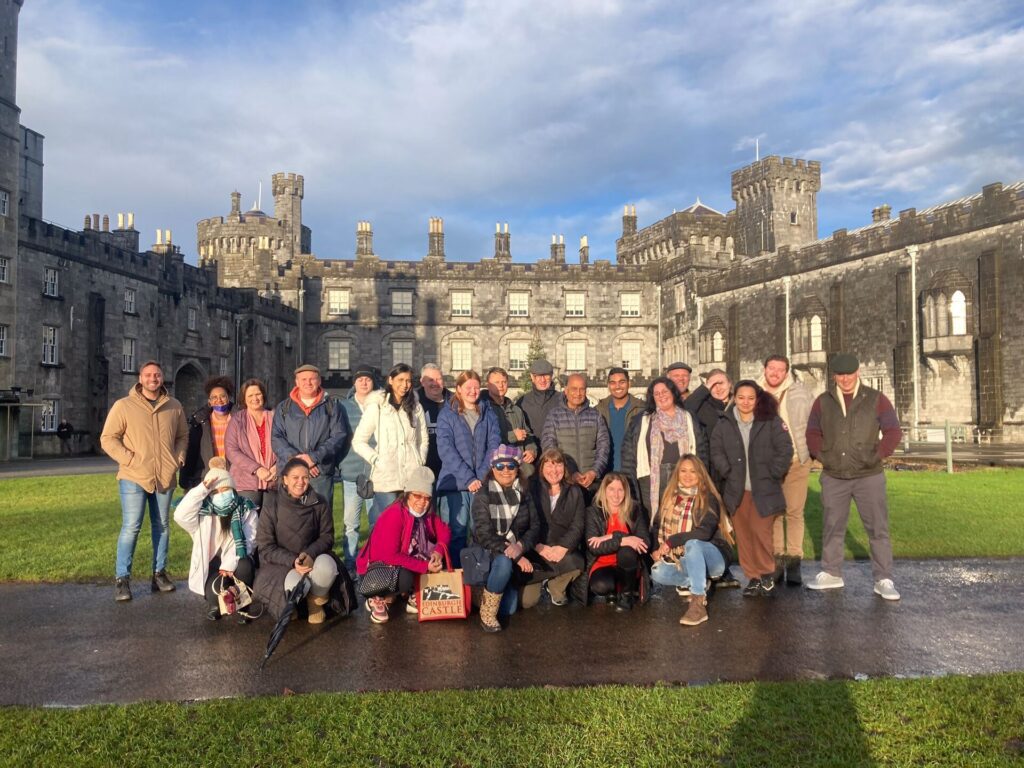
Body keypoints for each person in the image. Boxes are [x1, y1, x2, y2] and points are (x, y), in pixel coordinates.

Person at [805, 353, 903, 601]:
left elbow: (892, 431)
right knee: (832, 526)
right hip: (834, 475)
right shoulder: (823, 401)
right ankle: (831, 572)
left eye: (849, 373)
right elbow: (812, 433)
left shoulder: (875, 399)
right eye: (840, 374)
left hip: (868, 475)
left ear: (857, 372)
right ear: (834, 376)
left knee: (877, 528)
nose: (845, 378)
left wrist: (877, 455)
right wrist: (823, 456)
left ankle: (884, 578)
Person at [101, 360, 188, 602]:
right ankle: (122, 579)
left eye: (157, 374)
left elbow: (182, 435)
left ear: (162, 378)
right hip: (133, 477)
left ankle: (159, 574)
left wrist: (178, 457)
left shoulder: (174, 405)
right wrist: (128, 459)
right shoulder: (124, 405)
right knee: (131, 527)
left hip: (164, 476)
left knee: (162, 526)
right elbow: (108, 438)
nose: (153, 378)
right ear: (140, 378)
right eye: (148, 375)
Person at [710, 380, 793, 597]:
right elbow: (716, 449)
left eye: (750, 398)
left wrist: (774, 472)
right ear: (733, 398)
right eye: (741, 397)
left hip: (764, 488)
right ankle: (753, 577)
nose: (745, 402)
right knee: (744, 535)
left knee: (760, 531)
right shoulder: (724, 423)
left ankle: (766, 572)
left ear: (757, 399)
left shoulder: (771, 420)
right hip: (737, 490)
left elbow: (785, 448)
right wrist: (726, 471)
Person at [356, 466, 451, 624]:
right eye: (417, 496)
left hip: (403, 563)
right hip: (378, 568)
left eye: (427, 498)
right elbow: (389, 556)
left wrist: (439, 551)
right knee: (405, 577)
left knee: (436, 560)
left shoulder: (426, 514)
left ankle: (406, 593)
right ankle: (377, 596)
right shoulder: (395, 514)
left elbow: (445, 531)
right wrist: (425, 566)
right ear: (408, 494)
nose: (422, 502)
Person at [253, 458, 344, 623]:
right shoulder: (271, 505)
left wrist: (309, 554)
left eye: (305, 477)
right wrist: (293, 561)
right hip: (282, 565)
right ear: (285, 479)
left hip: (312, 558)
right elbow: (265, 546)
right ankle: (293, 605)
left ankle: (315, 602)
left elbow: (327, 536)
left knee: (328, 567)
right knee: (294, 587)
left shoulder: (320, 502)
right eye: (295, 477)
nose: (301, 482)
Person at [648, 455, 734, 626]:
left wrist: (671, 542)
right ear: (677, 474)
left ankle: (697, 603)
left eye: (693, 471)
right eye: (683, 471)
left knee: (692, 544)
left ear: (701, 474)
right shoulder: (668, 498)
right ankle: (699, 580)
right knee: (657, 572)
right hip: (683, 559)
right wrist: (656, 549)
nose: (688, 475)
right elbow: (656, 526)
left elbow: (703, 533)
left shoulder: (707, 497)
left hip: (713, 556)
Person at [173, 458, 259, 622]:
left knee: (245, 564)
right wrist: (202, 488)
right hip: (213, 564)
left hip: (236, 560)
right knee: (213, 592)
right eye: (215, 492)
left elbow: (250, 540)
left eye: (225, 489)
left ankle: (244, 606)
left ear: (233, 490)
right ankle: (217, 605)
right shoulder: (202, 514)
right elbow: (180, 515)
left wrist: (229, 563)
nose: (221, 495)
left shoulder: (246, 509)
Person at [469, 445, 541, 632]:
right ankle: (487, 613)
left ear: (518, 468)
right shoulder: (483, 495)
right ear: (493, 468)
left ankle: (486, 594)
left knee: (510, 608)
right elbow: (484, 534)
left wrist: (520, 545)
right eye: (500, 466)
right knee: (504, 563)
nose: (506, 471)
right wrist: (515, 554)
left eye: (510, 466)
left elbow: (535, 527)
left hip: (515, 549)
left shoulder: (525, 493)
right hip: (489, 554)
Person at [757, 356, 814, 585]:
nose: (775, 373)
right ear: (765, 369)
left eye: (780, 370)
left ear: (786, 372)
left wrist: (810, 452)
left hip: (796, 459)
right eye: (772, 368)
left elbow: (813, 423)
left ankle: (794, 561)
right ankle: (777, 560)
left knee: (794, 511)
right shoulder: (754, 391)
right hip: (767, 462)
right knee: (775, 512)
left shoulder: (801, 392)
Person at [437, 370, 502, 566]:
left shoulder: (487, 413)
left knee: (479, 531)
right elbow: (446, 449)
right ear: (458, 389)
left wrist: (481, 476)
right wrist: (468, 478)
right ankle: (455, 575)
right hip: (455, 483)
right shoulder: (447, 414)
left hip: (481, 483)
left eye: (476, 387)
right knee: (456, 531)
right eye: (468, 388)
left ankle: (476, 575)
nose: (473, 391)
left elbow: (494, 445)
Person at [352, 363, 429, 522]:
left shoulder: (416, 407)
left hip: (411, 476)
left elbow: (423, 439)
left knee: (410, 523)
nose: (404, 385)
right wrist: (377, 460)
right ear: (391, 380)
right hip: (386, 476)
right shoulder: (378, 406)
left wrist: (420, 460)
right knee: (389, 522)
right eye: (400, 380)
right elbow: (359, 441)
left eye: (408, 381)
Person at [621, 377, 701, 521]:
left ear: (673, 393)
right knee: (652, 519)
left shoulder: (689, 418)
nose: (661, 396)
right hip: (649, 479)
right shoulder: (642, 420)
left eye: (664, 391)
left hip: (683, 477)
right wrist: (630, 482)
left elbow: (701, 449)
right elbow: (628, 453)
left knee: (680, 518)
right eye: (656, 394)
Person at [271, 364, 348, 513]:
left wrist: (314, 458)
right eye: (304, 379)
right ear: (297, 382)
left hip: (319, 472)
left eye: (312, 379)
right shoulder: (283, 408)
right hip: (290, 470)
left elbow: (338, 436)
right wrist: (298, 460)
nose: (308, 383)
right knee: (289, 518)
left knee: (320, 518)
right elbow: (277, 437)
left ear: (319, 381)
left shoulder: (331, 406)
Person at [522, 448, 585, 608]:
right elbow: (523, 522)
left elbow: (578, 526)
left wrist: (563, 547)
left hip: (561, 551)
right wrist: (538, 546)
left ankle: (556, 586)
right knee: (528, 602)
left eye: (558, 465)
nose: (554, 470)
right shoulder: (531, 487)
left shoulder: (575, 491)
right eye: (549, 465)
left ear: (565, 469)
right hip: (536, 550)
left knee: (577, 562)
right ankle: (542, 578)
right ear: (541, 467)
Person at [583, 472, 650, 611]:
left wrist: (610, 537)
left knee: (627, 551)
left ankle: (627, 595)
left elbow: (645, 543)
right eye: (611, 489)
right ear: (604, 490)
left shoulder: (635, 509)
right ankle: (615, 589)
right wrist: (623, 538)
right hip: (602, 564)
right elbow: (594, 547)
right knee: (601, 586)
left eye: (620, 490)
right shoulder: (593, 512)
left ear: (626, 492)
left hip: (628, 565)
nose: (616, 494)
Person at [541, 373, 609, 500]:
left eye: (582, 389)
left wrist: (594, 471)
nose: (578, 393)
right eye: (574, 389)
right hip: (565, 483)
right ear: (566, 391)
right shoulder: (554, 416)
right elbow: (549, 447)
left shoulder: (596, 416)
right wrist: (569, 472)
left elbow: (603, 446)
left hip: (592, 483)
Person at [336, 367, 376, 572]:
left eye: (367, 379)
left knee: (376, 522)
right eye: (360, 379)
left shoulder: (380, 405)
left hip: (376, 473)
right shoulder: (343, 406)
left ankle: (375, 563)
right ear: (354, 383)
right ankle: (350, 565)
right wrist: (341, 464)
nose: (363, 382)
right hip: (351, 472)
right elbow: (339, 436)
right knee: (351, 524)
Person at [224, 378, 277, 511]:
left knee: (270, 527)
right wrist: (257, 469)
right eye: (250, 395)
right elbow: (231, 450)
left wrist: (278, 467)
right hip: (246, 481)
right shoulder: (237, 420)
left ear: (263, 395)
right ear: (244, 398)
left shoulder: (276, 417)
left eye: (258, 394)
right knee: (248, 525)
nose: (255, 398)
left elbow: (286, 445)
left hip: (274, 479)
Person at [180, 376, 236, 490]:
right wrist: (187, 481)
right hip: (207, 476)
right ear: (209, 401)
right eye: (214, 397)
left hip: (233, 475)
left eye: (222, 396)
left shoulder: (239, 419)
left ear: (229, 397)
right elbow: (192, 451)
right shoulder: (199, 422)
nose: (219, 400)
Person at [485, 366, 538, 475]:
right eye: (496, 382)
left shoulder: (516, 410)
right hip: (497, 470)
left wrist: (532, 450)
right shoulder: (484, 409)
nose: (501, 385)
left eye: (504, 382)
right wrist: (512, 436)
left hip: (520, 469)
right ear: (488, 385)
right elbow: (483, 439)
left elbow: (527, 435)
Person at [684, 368, 732, 476]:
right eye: (713, 385)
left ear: (729, 384)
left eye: (721, 383)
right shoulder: (702, 407)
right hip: (710, 469)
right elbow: (683, 411)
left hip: (734, 466)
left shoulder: (738, 405)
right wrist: (704, 388)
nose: (718, 388)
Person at [596, 367, 644, 472]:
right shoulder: (598, 410)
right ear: (608, 386)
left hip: (633, 473)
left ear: (629, 384)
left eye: (622, 382)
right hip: (605, 473)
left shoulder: (642, 410)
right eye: (613, 383)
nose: (617, 386)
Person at [416, 363, 451, 481]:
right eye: (430, 380)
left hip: (450, 470)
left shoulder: (455, 401)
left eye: (439, 379)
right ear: (422, 382)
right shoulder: (412, 402)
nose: (435, 383)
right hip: (421, 471)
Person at [515, 358, 559, 441]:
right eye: (538, 376)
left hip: (556, 452)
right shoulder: (522, 402)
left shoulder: (562, 400)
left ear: (551, 376)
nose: (543, 380)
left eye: (546, 375)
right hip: (532, 452)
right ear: (532, 377)